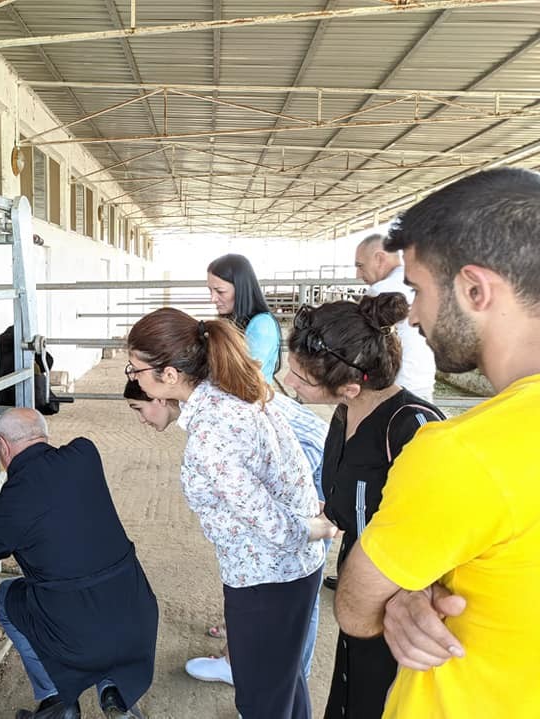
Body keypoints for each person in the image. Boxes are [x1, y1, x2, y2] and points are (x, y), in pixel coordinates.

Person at [335, 167, 540, 719]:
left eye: (418, 290)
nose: (413, 313)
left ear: (475, 290)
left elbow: (355, 608)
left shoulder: (461, 452)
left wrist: (402, 596)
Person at [126, 308, 336, 719]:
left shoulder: (210, 435)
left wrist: (316, 527)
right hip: (293, 571)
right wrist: (312, 523)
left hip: (265, 578)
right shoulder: (236, 391)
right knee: (284, 681)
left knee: (260, 699)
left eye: (136, 371)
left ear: (168, 375)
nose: (133, 379)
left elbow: (272, 524)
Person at [0, 408, 158, 719]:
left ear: (4, 448)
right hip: (137, 615)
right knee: (94, 597)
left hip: (76, 637)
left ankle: (57, 700)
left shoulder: (5, 509)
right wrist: (3, 438)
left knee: (5, 596)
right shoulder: (85, 454)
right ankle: (113, 691)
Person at [285, 294, 444, 719]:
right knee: (348, 689)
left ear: (351, 386)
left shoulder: (414, 428)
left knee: (381, 699)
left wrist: (414, 595)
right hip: (360, 591)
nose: (288, 381)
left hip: (399, 607)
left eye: (301, 378)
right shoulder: (344, 413)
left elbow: (446, 534)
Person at [354, 233, 437, 400]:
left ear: (379, 258)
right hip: (422, 385)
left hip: (391, 389)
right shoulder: (420, 283)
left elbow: (359, 344)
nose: (358, 274)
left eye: (360, 266)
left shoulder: (381, 291)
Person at [207, 254, 282, 383]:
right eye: (210, 291)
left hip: (250, 398)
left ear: (241, 289)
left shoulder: (262, 325)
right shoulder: (231, 320)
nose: (212, 299)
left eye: (220, 291)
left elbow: (245, 377)